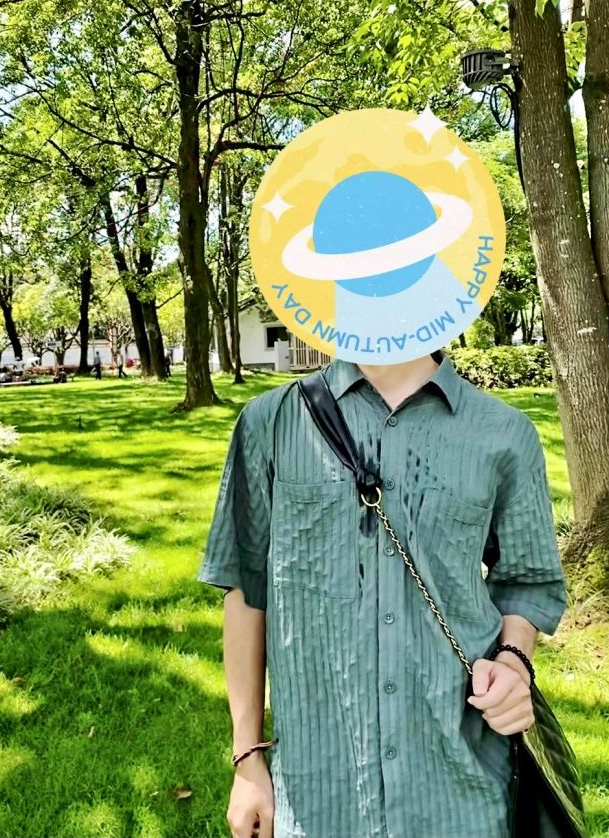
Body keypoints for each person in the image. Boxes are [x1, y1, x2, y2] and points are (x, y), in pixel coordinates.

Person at [196, 349, 568, 838]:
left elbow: (526, 582)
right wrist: (247, 760)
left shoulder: (504, 433)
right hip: (317, 798)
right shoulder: (271, 422)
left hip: (462, 792)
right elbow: (247, 590)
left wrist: (514, 662)